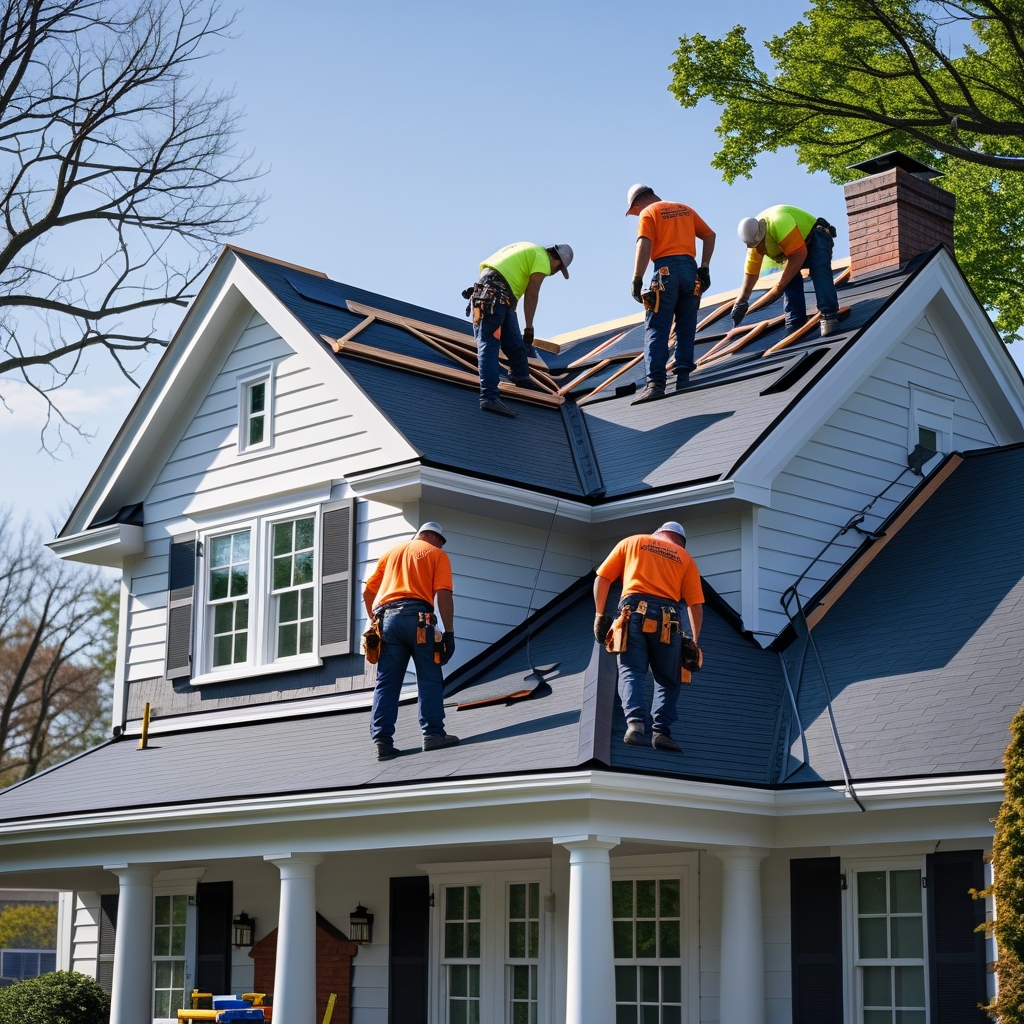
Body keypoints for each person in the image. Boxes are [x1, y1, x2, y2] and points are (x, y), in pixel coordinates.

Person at [593, 521, 704, 752]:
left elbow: (602, 578)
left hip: (633, 611)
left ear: (659, 533)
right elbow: (695, 605)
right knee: (668, 678)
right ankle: (661, 732)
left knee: (631, 670)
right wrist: (695, 641)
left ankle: (635, 726)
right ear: (680, 542)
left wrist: (599, 614)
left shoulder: (633, 542)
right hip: (668, 619)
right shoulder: (684, 557)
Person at [363, 522, 458, 761]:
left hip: (388, 620)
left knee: (386, 682)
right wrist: (449, 633)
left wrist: (374, 619)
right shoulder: (437, 554)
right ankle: (433, 734)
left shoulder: (391, 553)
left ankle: (382, 741)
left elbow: (369, 592)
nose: (440, 545)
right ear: (432, 537)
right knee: (429, 676)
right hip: (419, 620)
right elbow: (444, 593)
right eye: (440, 541)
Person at [625, 184, 716, 405]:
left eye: (635, 211)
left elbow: (644, 243)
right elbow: (709, 235)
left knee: (657, 327)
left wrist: (637, 278)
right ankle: (683, 376)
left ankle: (655, 384)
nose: (637, 214)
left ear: (638, 204)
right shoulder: (685, 209)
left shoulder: (649, 212)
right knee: (686, 324)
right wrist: (704, 267)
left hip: (665, 272)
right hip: (690, 272)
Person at [467, 241, 573, 418]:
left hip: (499, 294)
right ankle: (489, 397)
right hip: (494, 293)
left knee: (515, 342)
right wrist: (529, 328)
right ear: (556, 260)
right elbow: (531, 294)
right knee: (489, 343)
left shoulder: (530, 251)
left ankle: (520, 375)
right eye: (558, 269)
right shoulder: (542, 259)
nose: (553, 273)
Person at [732, 206, 840, 337]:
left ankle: (829, 315)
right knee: (790, 279)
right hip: (795, 250)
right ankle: (795, 323)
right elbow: (751, 275)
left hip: (815, 237)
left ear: (763, 232)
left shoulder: (779, 222)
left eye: (760, 243)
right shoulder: (753, 244)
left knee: (819, 270)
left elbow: (799, 255)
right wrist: (741, 301)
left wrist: (779, 287)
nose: (759, 248)